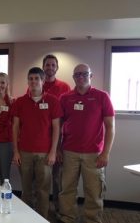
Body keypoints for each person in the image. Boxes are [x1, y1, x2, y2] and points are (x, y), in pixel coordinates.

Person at [58, 64, 115, 223]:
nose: (80, 77)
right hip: (69, 152)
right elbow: (58, 126)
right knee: (67, 189)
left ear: (91, 75)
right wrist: (57, 149)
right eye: (77, 75)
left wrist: (106, 153)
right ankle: (67, 218)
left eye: (84, 74)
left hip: (94, 154)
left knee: (94, 191)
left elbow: (110, 127)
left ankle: (93, 220)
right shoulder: (65, 98)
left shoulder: (102, 97)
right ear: (73, 77)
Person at [12, 67, 62, 219]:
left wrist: (53, 151)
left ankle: (41, 218)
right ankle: (26, 219)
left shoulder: (53, 101)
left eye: (36, 79)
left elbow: (56, 128)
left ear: (43, 81)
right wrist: (16, 151)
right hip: (25, 152)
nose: (33, 82)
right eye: (31, 78)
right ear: (28, 81)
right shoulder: (20, 102)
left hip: (45, 153)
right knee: (26, 190)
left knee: (43, 190)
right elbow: (15, 128)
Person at [42, 54, 71, 212]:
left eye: (53, 65)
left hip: (59, 139)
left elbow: (68, 116)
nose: (50, 68)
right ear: (43, 67)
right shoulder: (36, 84)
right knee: (40, 179)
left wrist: (59, 146)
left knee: (57, 178)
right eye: (47, 65)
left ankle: (60, 210)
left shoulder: (65, 87)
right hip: (40, 140)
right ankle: (41, 209)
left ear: (57, 68)